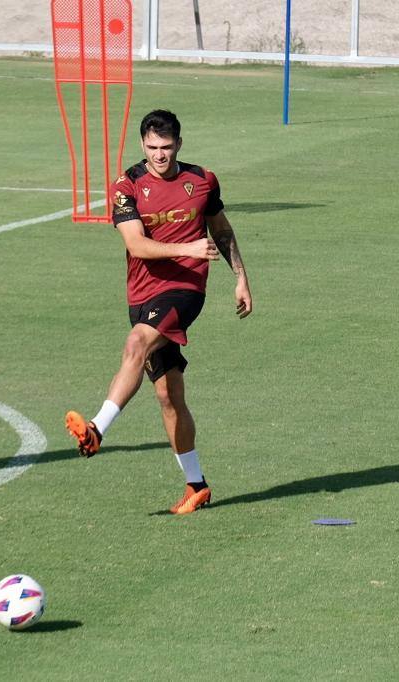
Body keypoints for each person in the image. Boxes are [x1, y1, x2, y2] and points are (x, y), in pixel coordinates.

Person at [65, 109, 252, 514]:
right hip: (142, 294)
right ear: (142, 145)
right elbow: (137, 246)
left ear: (179, 145)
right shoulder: (127, 186)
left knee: (136, 343)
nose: (160, 155)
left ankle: (97, 429)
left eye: (167, 148)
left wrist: (241, 277)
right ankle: (196, 485)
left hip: (185, 290)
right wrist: (187, 247)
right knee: (169, 395)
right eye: (152, 148)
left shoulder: (202, 180)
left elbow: (220, 229)